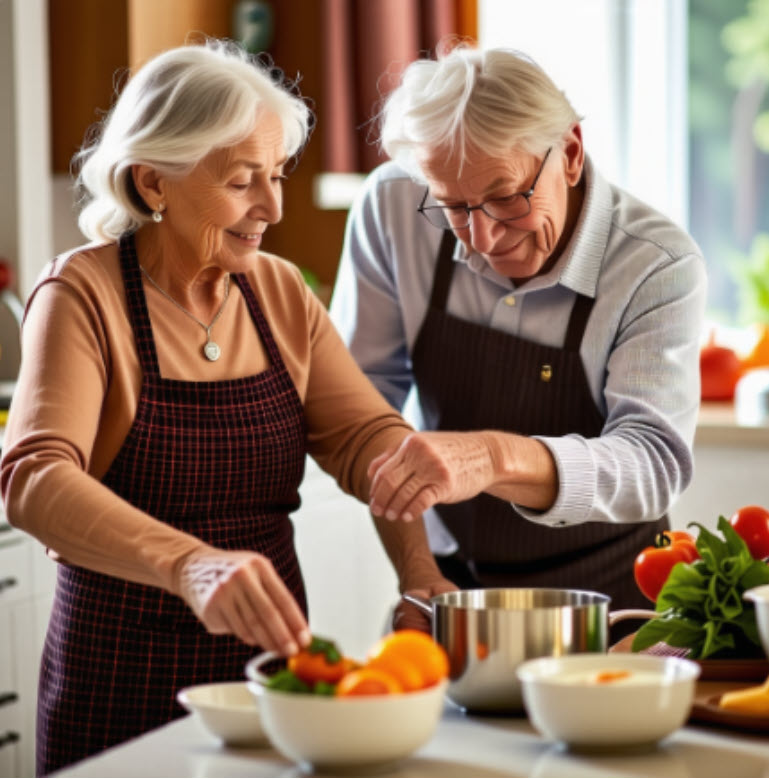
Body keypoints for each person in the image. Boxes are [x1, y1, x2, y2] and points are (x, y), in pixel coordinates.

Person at [0, 39, 495, 775]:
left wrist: (417, 572)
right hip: (118, 678)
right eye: (241, 181)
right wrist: (190, 565)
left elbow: (367, 440)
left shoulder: (279, 289)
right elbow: (35, 479)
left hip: (273, 678)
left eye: (277, 174)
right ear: (153, 181)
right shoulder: (81, 293)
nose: (272, 206)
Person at [330, 45, 708, 633]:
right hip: (450, 586)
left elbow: (653, 462)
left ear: (571, 153)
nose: (482, 238)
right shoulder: (393, 207)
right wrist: (417, 571)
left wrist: (492, 458)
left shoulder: (656, 263)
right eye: (454, 207)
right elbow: (357, 410)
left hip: (614, 598)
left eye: (507, 197)